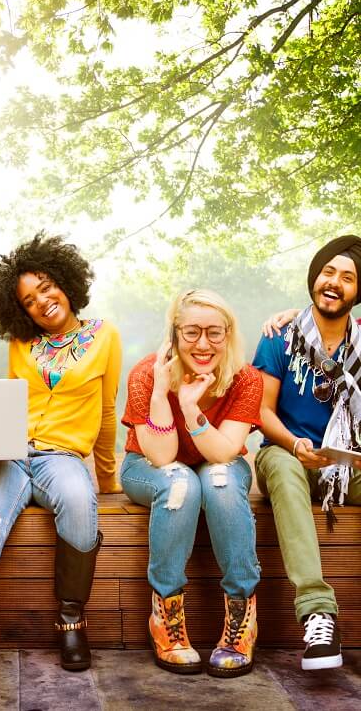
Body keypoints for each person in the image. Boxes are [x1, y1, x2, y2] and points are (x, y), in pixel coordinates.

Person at [0, 234, 121, 709]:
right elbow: (9, 403)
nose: (42, 302)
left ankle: (72, 621)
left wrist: (108, 478)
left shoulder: (104, 337)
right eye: (29, 301)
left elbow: (108, 411)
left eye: (47, 288)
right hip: (10, 455)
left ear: (67, 283)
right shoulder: (20, 342)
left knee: (78, 501)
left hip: (63, 457)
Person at [120, 289, 262, 678]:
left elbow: (224, 452)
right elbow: (162, 457)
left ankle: (241, 615)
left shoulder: (246, 378)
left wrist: (190, 406)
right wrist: (165, 392)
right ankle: (165, 614)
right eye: (192, 332)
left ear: (229, 334)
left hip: (216, 460)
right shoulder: (147, 373)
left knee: (218, 481)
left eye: (215, 333)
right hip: (146, 465)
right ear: (174, 334)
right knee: (180, 483)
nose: (203, 344)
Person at [253, 235, 361, 671]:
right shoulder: (279, 337)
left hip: (345, 464)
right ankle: (317, 612)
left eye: (348, 277)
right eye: (328, 272)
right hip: (286, 453)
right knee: (281, 464)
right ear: (314, 278)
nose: (334, 283)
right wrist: (296, 444)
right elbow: (261, 412)